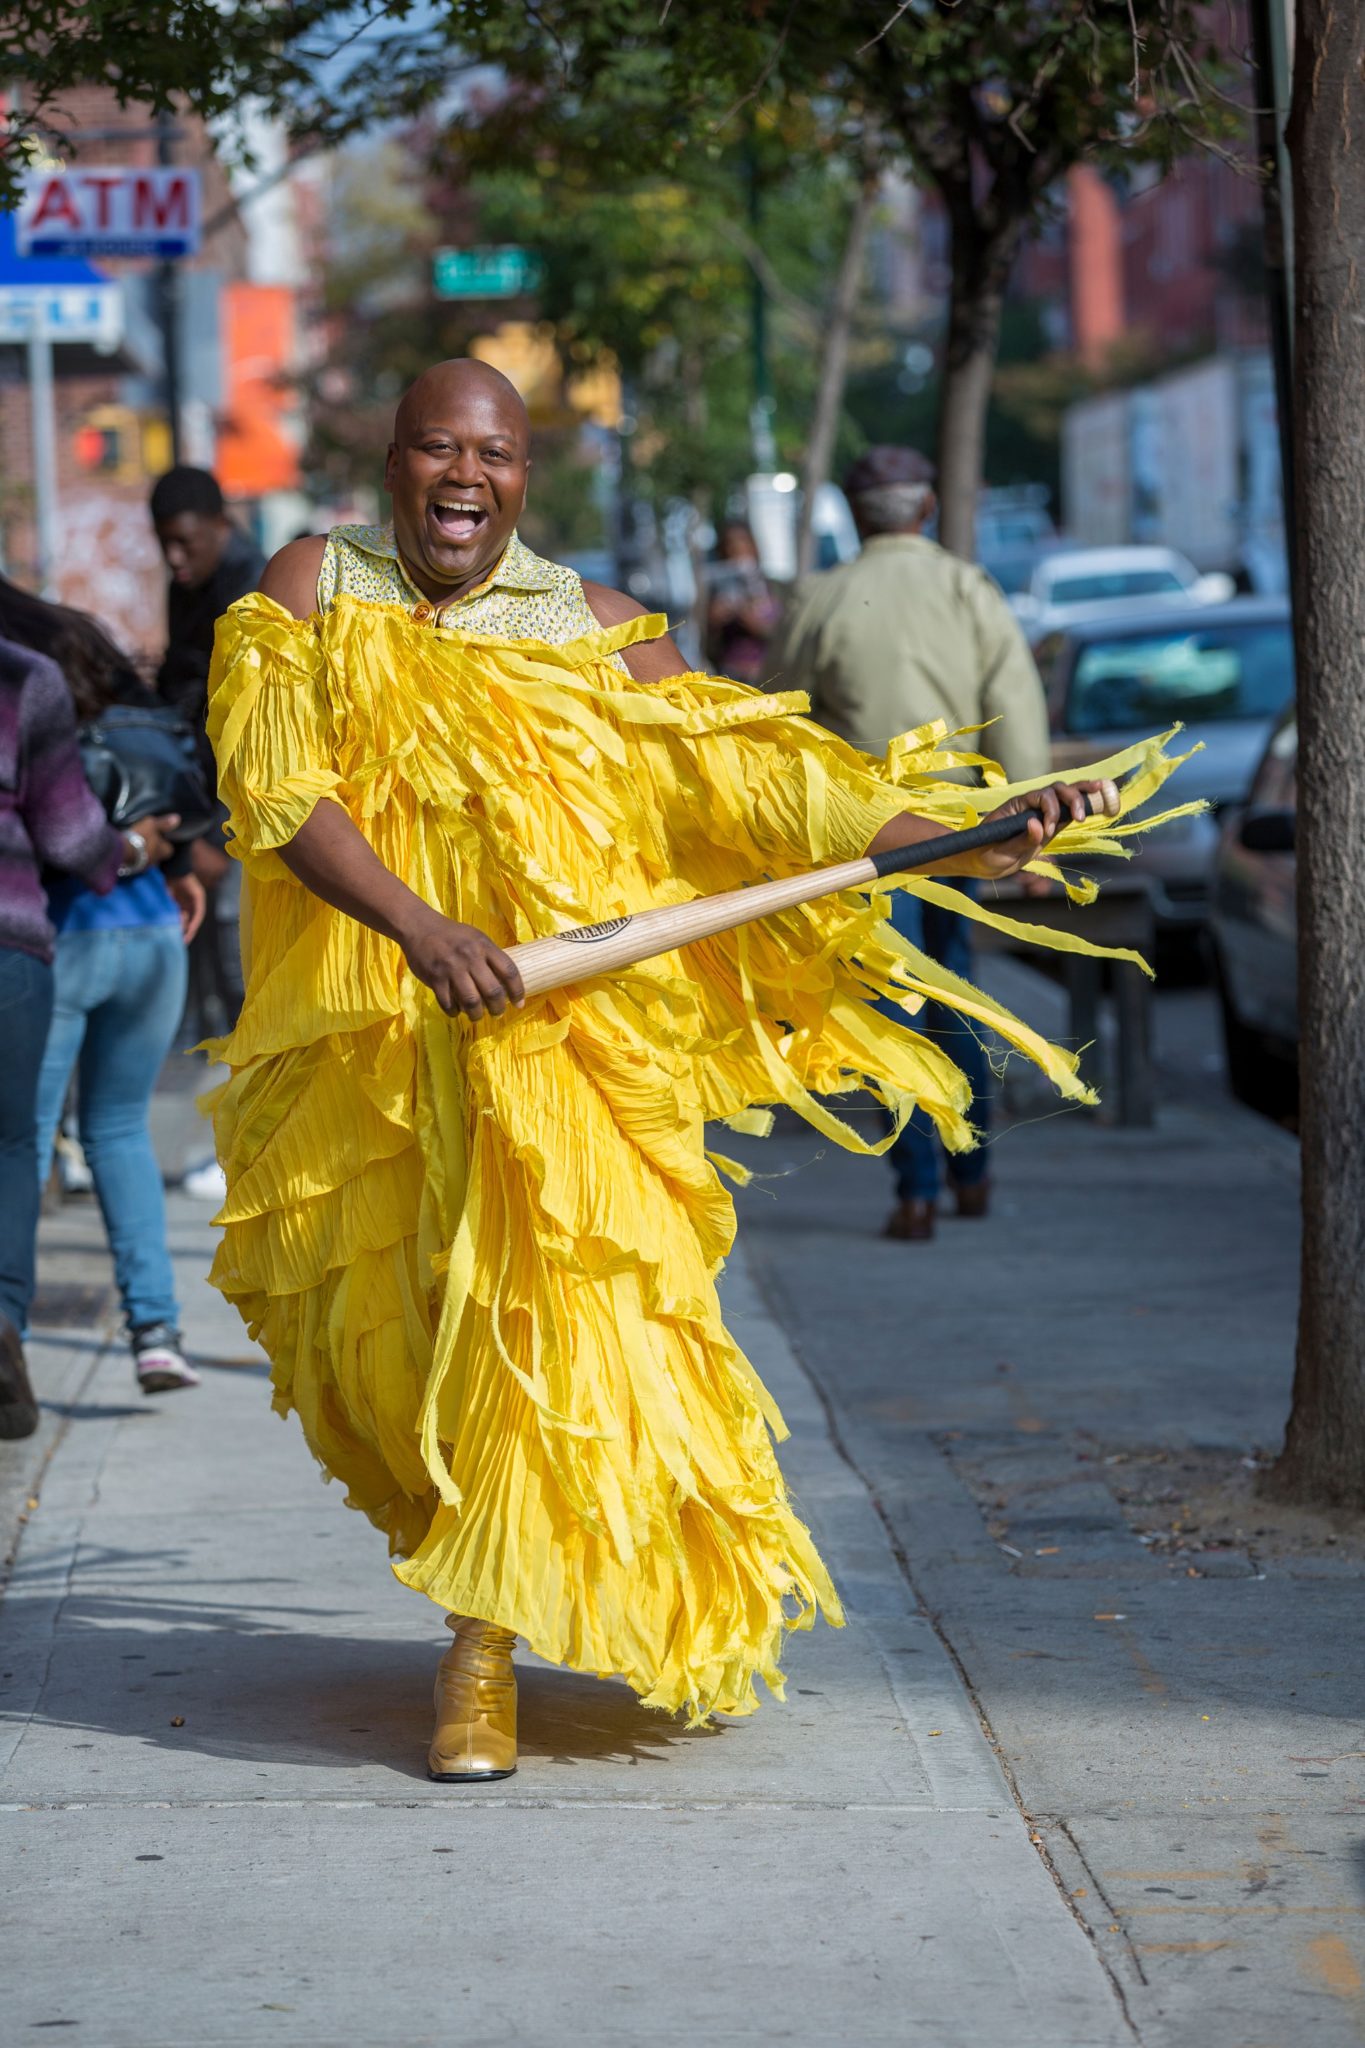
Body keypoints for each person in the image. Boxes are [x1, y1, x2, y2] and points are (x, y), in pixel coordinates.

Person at [204, 358, 1172, 1783]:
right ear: (393, 463)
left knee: (534, 1337)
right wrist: (417, 928)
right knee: (387, 1350)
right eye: (435, 450)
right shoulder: (306, 588)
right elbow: (276, 788)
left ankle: (480, 1651)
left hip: (562, 1057)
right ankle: (482, 1582)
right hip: (369, 1047)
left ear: (526, 476)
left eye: (494, 454)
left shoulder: (595, 625)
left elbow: (761, 778)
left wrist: (960, 832)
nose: (464, 477)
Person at [768, 445, 1053, 1243]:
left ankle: (916, 1191)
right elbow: (1016, 704)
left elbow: (775, 716)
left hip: (863, 839)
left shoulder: (822, 596)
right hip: (963, 832)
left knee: (892, 1004)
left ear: (858, 517)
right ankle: (974, 1170)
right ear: (924, 509)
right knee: (954, 990)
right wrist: (1035, 836)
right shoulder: (967, 589)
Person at [0, 578, 206, 1395]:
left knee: (24, 1137)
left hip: (63, 938)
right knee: (118, 1130)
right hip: (154, 934)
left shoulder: (33, 697)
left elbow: (67, 838)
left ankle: (7, 1327)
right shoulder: (83, 676)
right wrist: (173, 862)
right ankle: (156, 1333)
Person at [150, 466, 264, 1051]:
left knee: (241, 965)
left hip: (243, 818)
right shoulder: (189, 584)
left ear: (221, 525)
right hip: (202, 804)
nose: (173, 557)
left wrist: (217, 836)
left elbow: (251, 725)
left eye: (185, 542)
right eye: (163, 541)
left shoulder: (254, 589)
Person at [704, 520, 779, 684]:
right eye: (730, 544)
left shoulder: (774, 586)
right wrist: (714, 619)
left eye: (742, 542)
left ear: (753, 546)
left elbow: (787, 633)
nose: (736, 549)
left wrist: (756, 625)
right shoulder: (714, 589)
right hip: (731, 675)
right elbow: (703, 639)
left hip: (768, 673)